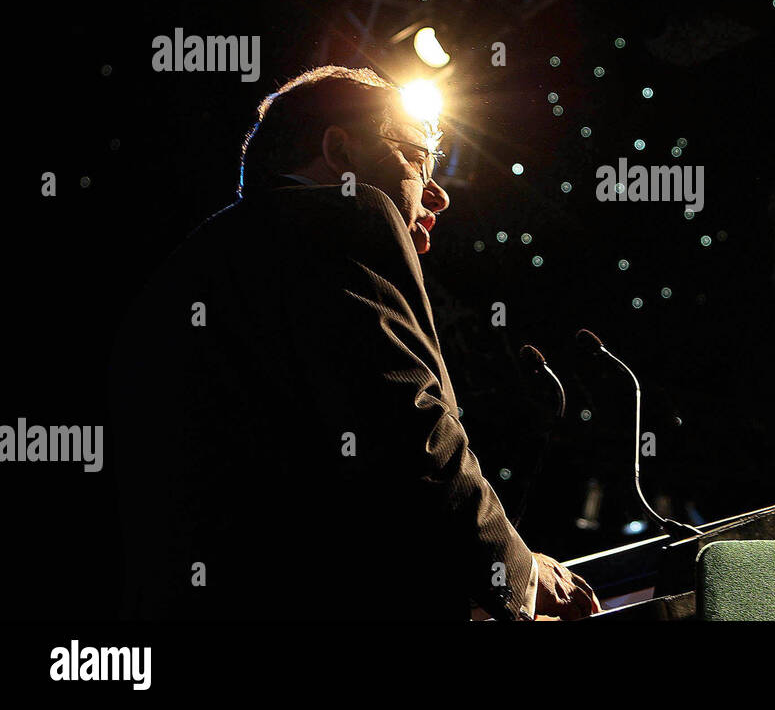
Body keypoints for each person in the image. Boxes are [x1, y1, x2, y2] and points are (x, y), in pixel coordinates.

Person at [111, 65, 598, 621]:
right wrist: (518, 572)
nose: (438, 195)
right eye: (418, 158)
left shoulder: (185, 272)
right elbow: (409, 440)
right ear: (340, 151)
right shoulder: (343, 219)